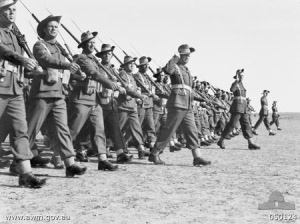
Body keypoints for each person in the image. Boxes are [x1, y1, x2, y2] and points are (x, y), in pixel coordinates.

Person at [26, 15, 87, 177]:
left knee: (63, 130)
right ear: (44, 29)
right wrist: (69, 65)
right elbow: (47, 61)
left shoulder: (60, 49)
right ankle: (18, 162)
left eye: (56, 26)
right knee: (32, 129)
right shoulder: (39, 46)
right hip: (42, 94)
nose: (54, 29)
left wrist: (77, 75)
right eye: (51, 26)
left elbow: (61, 72)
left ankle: (70, 163)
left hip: (59, 94)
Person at [0, 0, 46, 187]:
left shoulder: (16, 36)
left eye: (14, 10)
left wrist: (34, 71)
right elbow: (4, 51)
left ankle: (26, 173)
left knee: (21, 130)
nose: (11, 13)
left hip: (16, 89)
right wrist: (23, 59)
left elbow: (19, 66)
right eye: (7, 10)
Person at [149, 44, 211, 166]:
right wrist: (174, 58)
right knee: (169, 129)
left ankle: (197, 157)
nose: (188, 57)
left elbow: (188, 89)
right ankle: (154, 153)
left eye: (189, 55)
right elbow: (167, 70)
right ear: (180, 55)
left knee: (192, 130)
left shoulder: (186, 70)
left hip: (187, 105)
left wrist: (200, 99)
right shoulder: (175, 67)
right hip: (177, 103)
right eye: (185, 55)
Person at [95, 44, 134, 163]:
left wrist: (123, 87)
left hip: (111, 101)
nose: (107, 55)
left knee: (115, 128)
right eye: (105, 53)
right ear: (101, 55)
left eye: (109, 53)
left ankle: (120, 153)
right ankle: (81, 150)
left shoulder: (113, 70)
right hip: (98, 101)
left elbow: (119, 83)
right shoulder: (97, 67)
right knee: (92, 128)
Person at [217, 69, 260, 150]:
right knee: (232, 124)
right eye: (240, 75)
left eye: (243, 75)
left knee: (246, 124)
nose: (242, 77)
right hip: (237, 107)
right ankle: (221, 140)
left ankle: (251, 143)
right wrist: (236, 80)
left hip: (243, 107)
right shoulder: (235, 83)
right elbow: (232, 90)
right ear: (237, 76)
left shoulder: (241, 84)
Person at [117, 55, 149, 159]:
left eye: (133, 63)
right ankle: (107, 148)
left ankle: (141, 149)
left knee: (136, 128)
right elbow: (127, 90)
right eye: (129, 63)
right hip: (123, 106)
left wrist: (138, 96)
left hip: (132, 107)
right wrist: (139, 96)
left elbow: (134, 90)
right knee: (118, 129)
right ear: (125, 65)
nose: (132, 65)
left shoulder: (132, 77)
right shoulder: (122, 74)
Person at [134, 56, 159, 148]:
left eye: (147, 65)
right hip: (141, 104)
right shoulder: (137, 76)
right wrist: (151, 94)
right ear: (140, 66)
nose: (146, 67)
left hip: (149, 104)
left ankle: (152, 143)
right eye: (144, 65)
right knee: (137, 125)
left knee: (150, 125)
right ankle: (127, 143)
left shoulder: (148, 77)